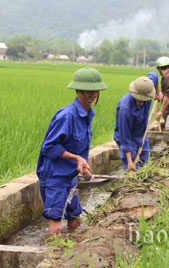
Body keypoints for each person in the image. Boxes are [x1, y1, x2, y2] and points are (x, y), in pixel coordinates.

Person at [37, 67, 107, 236]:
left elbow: (78, 146)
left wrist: (80, 164)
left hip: (69, 177)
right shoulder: (67, 116)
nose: (92, 94)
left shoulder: (88, 114)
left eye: (95, 90)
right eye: (87, 90)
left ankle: (72, 252)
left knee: (75, 219)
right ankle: (52, 259)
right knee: (55, 226)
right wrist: (76, 158)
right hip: (55, 177)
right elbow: (49, 147)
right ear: (78, 90)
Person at [114, 73, 160, 172]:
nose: (141, 102)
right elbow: (125, 138)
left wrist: (158, 93)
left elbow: (154, 75)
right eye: (139, 99)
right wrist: (130, 161)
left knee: (145, 165)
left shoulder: (147, 87)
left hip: (141, 133)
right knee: (132, 170)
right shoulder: (125, 109)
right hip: (127, 138)